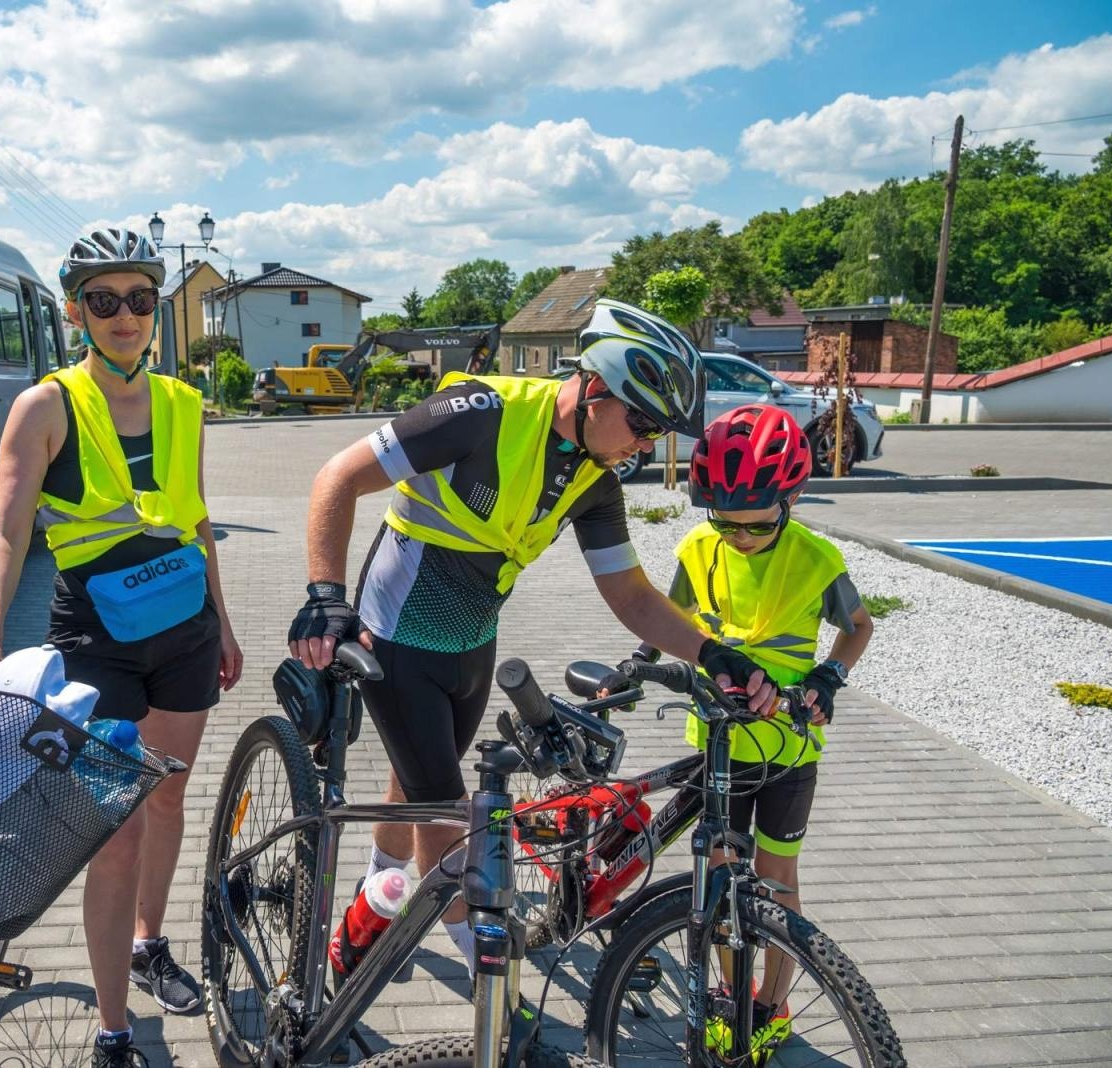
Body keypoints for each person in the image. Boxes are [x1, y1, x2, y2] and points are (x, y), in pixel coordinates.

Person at [287, 298, 778, 978]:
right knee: (450, 820)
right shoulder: (480, 412)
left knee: (419, 777)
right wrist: (324, 595)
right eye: (642, 423)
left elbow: (632, 595)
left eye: (660, 432)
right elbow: (337, 478)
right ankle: (474, 961)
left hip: (471, 642)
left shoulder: (595, 481)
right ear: (594, 387)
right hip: (396, 631)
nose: (646, 445)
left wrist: (713, 652)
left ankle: (378, 892)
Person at [0, 227, 243, 1067]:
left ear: (156, 309)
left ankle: (151, 945)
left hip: (184, 628)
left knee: (167, 800)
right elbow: (5, 526)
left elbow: (195, 519)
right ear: (75, 311)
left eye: (140, 299)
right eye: (103, 300)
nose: (124, 315)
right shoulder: (46, 405)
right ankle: (113, 1028)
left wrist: (223, 621)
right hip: (95, 638)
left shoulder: (183, 401)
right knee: (113, 832)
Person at [660, 403, 874, 1061]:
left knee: (778, 880)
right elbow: (672, 618)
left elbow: (859, 626)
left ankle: (771, 1003)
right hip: (719, 744)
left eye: (757, 524)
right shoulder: (697, 549)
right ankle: (734, 996)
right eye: (725, 522)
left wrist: (830, 675)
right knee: (723, 878)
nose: (741, 537)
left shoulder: (817, 558)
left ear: (792, 498)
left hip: (787, 749)